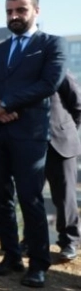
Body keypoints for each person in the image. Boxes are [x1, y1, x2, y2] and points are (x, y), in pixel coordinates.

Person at [0, 0, 67, 288]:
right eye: (9, 11)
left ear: (36, 11)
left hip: (29, 134)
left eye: (21, 10)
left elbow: (49, 83)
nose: (14, 16)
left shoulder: (52, 44)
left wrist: (7, 103)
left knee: (30, 198)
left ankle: (38, 264)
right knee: (1, 198)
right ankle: (10, 256)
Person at [46, 73, 81, 261]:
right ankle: (30, 239)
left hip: (62, 143)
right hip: (32, 143)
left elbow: (78, 106)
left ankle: (69, 242)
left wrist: (67, 131)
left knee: (65, 195)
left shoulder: (61, 73)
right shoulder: (24, 72)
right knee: (29, 194)